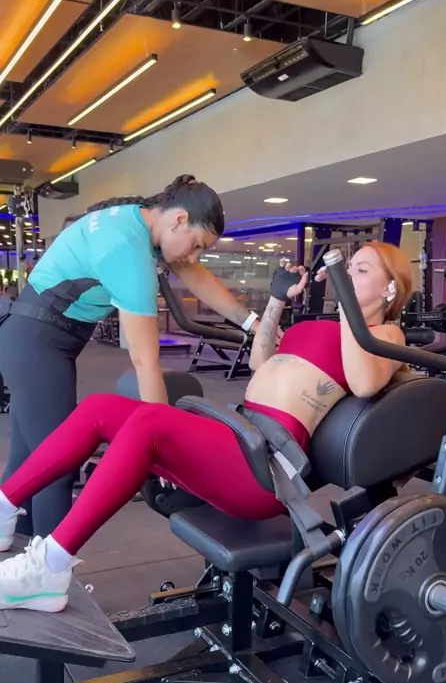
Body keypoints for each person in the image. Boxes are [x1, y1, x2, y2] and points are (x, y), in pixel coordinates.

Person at [0, 241, 413, 613]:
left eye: (360, 270)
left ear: (390, 289)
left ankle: (50, 567)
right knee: (99, 408)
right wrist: (276, 300)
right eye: (346, 268)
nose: (346, 276)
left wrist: (348, 309)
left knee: (149, 421)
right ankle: (4, 507)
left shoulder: (385, 335)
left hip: (265, 471)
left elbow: (364, 383)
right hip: (239, 437)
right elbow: (259, 362)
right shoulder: (314, 328)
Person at [0, 175, 263, 540]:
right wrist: (166, 444)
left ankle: (14, 531)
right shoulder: (129, 254)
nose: (194, 256)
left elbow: (196, 276)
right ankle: (47, 565)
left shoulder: (138, 220)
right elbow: (145, 363)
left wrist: (254, 324)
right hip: (39, 342)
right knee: (58, 463)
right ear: (179, 220)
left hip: (33, 337)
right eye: (196, 245)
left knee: (30, 453)